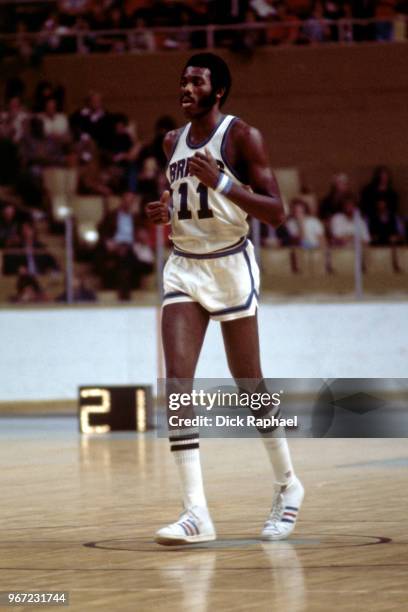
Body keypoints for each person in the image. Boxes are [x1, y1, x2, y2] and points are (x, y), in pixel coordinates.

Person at [146, 53, 304, 546]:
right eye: (183, 80)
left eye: (197, 81)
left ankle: (288, 485)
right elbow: (181, 200)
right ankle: (196, 513)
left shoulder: (241, 136)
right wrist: (164, 213)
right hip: (185, 267)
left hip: (231, 265)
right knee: (176, 384)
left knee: (249, 385)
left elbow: (277, 213)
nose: (186, 87)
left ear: (219, 92)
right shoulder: (172, 141)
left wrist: (226, 183)